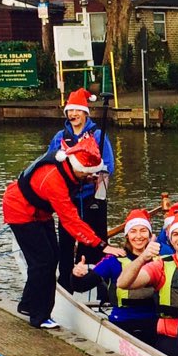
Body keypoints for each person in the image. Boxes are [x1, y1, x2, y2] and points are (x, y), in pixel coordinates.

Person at [3, 135, 120, 329]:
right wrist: (101, 244)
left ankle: (26, 304)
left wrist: (89, 178)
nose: (87, 177)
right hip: (19, 210)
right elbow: (70, 220)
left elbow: (76, 181)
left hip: (39, 211)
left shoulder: (67, 162)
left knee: (53, 255)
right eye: (86, 174)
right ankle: (39, 316)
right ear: (79, 168)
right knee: (43, 262)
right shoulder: (54, 181)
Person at [47, 88, 115, 288]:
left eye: (77, 111)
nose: (73, 115)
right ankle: (66, 283)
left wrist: (95, 177)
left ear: (86, 112)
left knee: (96, 241)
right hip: (67, 199)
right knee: (66, 243)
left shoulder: (98, 135)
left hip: (93, 197)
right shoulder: (60, 136)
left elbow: (108, 165)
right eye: (70, 111)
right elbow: (51, 164)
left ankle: (99, 283)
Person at [116, 210, 178, 356]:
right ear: (170, 241)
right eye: (175, 234)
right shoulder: (160, 265)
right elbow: (122, 283)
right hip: (171, 339)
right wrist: (143, 257)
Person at [71, 208, 158, 344]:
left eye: (143, 231)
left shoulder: (160, 259)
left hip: (155, 319)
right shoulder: (113, 261)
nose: (138, 236)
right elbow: (81, 286)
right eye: (133, 231)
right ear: (127, 236)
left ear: (149, 234)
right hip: (123, 320)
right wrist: (76, 274)